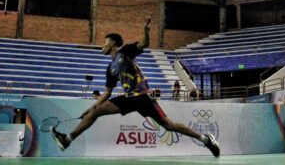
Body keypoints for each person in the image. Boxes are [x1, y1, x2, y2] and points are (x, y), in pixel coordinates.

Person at [50, 17, 220, 157]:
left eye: (104, 43)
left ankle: (205, 139)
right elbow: (108, 92)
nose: (102, 46)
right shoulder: (110, 69)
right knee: (97, 111)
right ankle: (68, 138)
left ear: (113, 44)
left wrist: (146, 31)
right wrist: (92, 107)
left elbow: (144, 44)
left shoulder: (126, 51)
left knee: (168, 125)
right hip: (129, 98)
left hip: (143, 96)